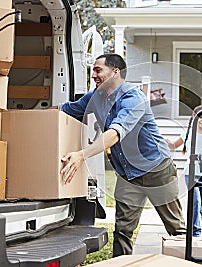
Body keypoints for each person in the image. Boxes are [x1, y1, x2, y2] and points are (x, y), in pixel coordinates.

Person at [58, 53, 186, 257]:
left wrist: (82, 155)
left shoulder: (133, 98)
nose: (94, 75)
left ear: (115, 71)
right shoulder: (95, 97)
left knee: (176, 229)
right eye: (93, 71)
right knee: (123, 231)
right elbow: (67, 110)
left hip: (157, 169)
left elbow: (115, 134)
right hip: (128, 174)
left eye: (98, 70)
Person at [165, 105, 202, 237]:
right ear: (194, 118)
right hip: (190, 173)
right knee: (195, 202)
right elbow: (173, 146)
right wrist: (166, 142)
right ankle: (196, 232)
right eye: (200, 117)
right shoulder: (187, 133)